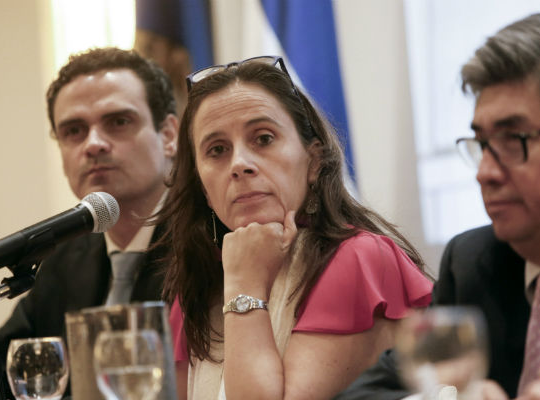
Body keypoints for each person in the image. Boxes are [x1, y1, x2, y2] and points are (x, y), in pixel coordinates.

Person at [157, 55, 433, 400]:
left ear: (314, 161)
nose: (240, 164)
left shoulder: (360, 258)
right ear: (204, 190)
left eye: (263, 139)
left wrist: (245, 284)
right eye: (217, 150)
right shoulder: (197, 291)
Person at [334, 10, 540, 400]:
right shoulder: (474, 261)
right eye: (482, 144)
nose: (485, 172)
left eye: (513, 139)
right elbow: (362, 395)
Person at [0, 47, 178, 399]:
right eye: (74, 130)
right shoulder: (62, 261)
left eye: (118, 122)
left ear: (168, 135)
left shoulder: (211, 245)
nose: (93, 144)